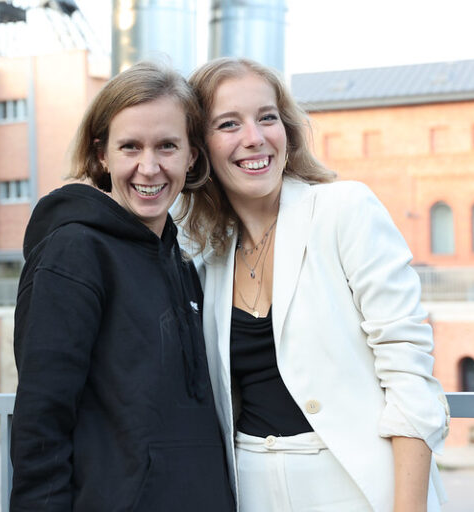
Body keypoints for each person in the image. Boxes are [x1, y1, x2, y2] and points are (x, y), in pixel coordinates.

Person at [182, 57, 450, 512]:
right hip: (248, 490)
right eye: (229, 123)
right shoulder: (206, 256)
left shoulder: (344, 210)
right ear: (198, 148)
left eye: (267, 117)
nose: (255, 137)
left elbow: (408, 375)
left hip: (356, 486)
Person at [9, 61, 235, 512]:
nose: (148, 168)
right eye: (130, 146)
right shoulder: (74, 252)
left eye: (167, 146)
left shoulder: (182, 260)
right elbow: (42, 422)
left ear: (192, 156)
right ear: (101, 155)